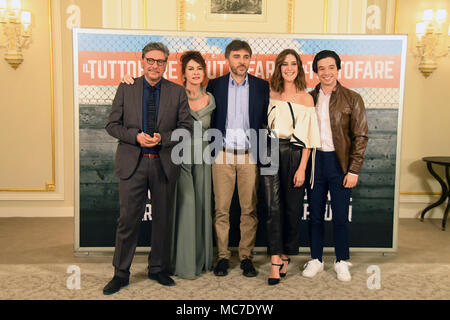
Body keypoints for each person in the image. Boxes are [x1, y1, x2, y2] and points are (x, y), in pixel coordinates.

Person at [102, 42, 193, 295]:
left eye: (160, 61)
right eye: (150, 61)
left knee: (163, 221)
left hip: (164, 164)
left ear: (166, 64)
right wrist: (135, 137)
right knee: (128, 220)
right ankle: (121, 273)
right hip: (134, 164)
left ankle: (157, 269)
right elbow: (112, 125)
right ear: (142, 61)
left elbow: (186, 129)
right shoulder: (127, 87)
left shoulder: (177, 92)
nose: (155, 65)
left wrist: (162, 138)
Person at [302, 50, 368, 282]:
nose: (326, 72)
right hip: (315, 162)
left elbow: (360, 136)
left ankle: (341, 260)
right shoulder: (309, 98)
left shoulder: (352, 98)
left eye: (331, 67)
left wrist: (353, 169)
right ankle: (317, 259)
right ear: (316, 71)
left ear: (338, 69)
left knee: (340, 216)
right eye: (321, 68)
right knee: (315, 216)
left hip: (340, 163)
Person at [206, 40, 270, 277]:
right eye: (236, 56)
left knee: (249, 210)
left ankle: (246, 257)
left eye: (245, 56)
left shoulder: (262, 86)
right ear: (227, 59)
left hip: (249, 156)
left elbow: (266, 121)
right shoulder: (215, 85)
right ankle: (222, 257)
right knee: (221, 210)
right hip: (222, 155)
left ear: (250, 59)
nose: (241, 61)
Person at [261, 49, 321, 285]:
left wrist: (302, 168)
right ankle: (275, 260)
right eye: (284, 64)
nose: (289, 68)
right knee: (272, 207)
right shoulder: (270, 93)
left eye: (293, 64)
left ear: (299, 68)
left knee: (292, 209)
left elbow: (309, 137)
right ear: (279, 67)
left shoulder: (307, 98)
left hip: (296, 154)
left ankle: (286, 253)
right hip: (269, 150)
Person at [170, 51, 216, 279]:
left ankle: (202, 259)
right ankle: (184, 263)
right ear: (184, 73)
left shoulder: (211, 98)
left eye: (199, 68)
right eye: (191, 69)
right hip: (181, 158)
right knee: (186, 207)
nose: (196, 73)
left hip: (205, 159)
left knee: (202, 207)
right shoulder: (175, 95)